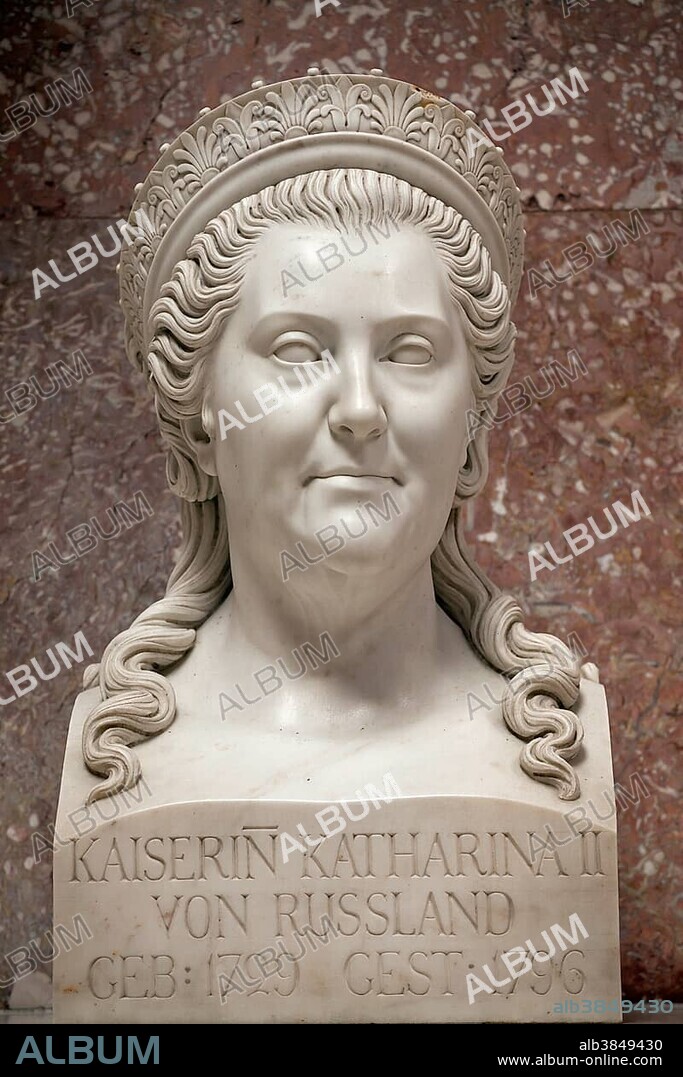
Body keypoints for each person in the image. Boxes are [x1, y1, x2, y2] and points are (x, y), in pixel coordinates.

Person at [80, 74, 584, 807]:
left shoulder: (551, 750)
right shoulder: (119, 760)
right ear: (198, 421)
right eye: (295, 349)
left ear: (471, 424)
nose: (358, 408)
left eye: (408, 351)